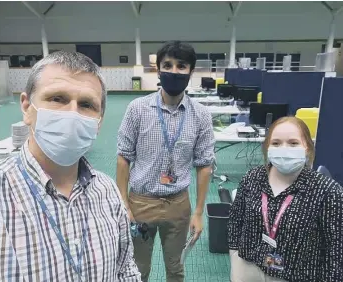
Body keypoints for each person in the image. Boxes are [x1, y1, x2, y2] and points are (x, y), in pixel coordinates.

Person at [0, 51, 141, 282]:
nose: (72, 114)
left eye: (86, 104)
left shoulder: (107, 191)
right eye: (57, 99)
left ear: (99, 121)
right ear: (26, 107)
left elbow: (124, 269)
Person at [116, 41, 215, 281]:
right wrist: (124, 205)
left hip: (178, 205)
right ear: (158, 70)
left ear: (191, 72)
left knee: (176, 268)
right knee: (137, 270)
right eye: (167, 65)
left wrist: (199, 212)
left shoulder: (200, 114)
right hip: (141, 203)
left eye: (181, 66)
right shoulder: (137, 109)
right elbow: (123, 158)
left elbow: (204, 166)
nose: (174, 71)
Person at [227, 116, 343, 282]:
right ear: (268, 148)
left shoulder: (328, 191)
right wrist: (235, 259)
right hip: (248, 266)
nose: (284, 149)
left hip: (295, 274)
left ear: (307, 148)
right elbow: (235, 220)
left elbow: (336, 250)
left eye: (293, 143)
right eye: (276, 143)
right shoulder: (252, 178)